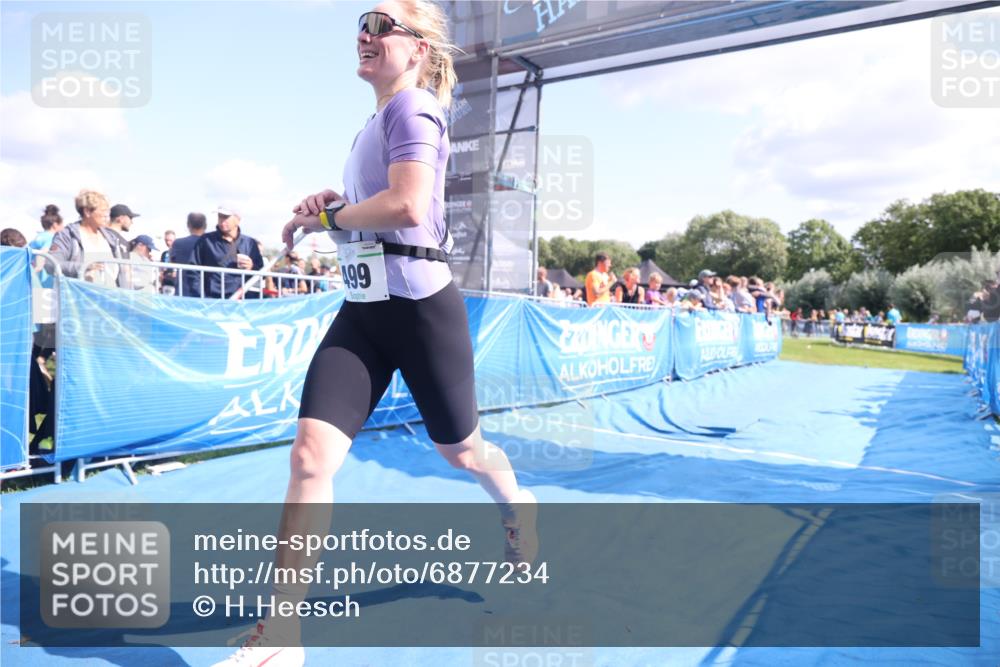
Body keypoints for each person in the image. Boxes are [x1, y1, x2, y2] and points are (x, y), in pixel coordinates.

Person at [213, 4, 537, 665]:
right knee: (309, 457)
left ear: (417, 49)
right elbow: (370, 206)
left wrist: (331, 214)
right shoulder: (377, 119)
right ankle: (281, 637)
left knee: (465, 454)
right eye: (361, 24)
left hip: (421, 311)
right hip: (364, 310)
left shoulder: (413, 109)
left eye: (381, 25)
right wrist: (328, 208)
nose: (364, 34)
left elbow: (409, 205)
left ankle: (517, 505)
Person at [47, 190, 131, 287]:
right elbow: (50, 264)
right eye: (103, 210)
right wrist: (84, 267)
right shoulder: (67, 235)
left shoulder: (111, 238)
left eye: (107, 210)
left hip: (109, 297)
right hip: (79, 296)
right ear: (87, 212)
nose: (106, 215)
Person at [190, 205, 264, 298]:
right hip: (212, 300)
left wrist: (251, 267)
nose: (222, 220)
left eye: (226, 217)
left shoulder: (250, 243)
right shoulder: (206, 240)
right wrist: (201, 296)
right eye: (219, 216)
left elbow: (262, 273)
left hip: (242, 302)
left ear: (238, 220)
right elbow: (192, 270)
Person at [168, 212, 208, 296]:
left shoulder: (178, 243)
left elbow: (171, 263)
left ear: (188, 225)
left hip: (183, 292)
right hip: (206, 293)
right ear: (205, 225)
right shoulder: (211, 244)